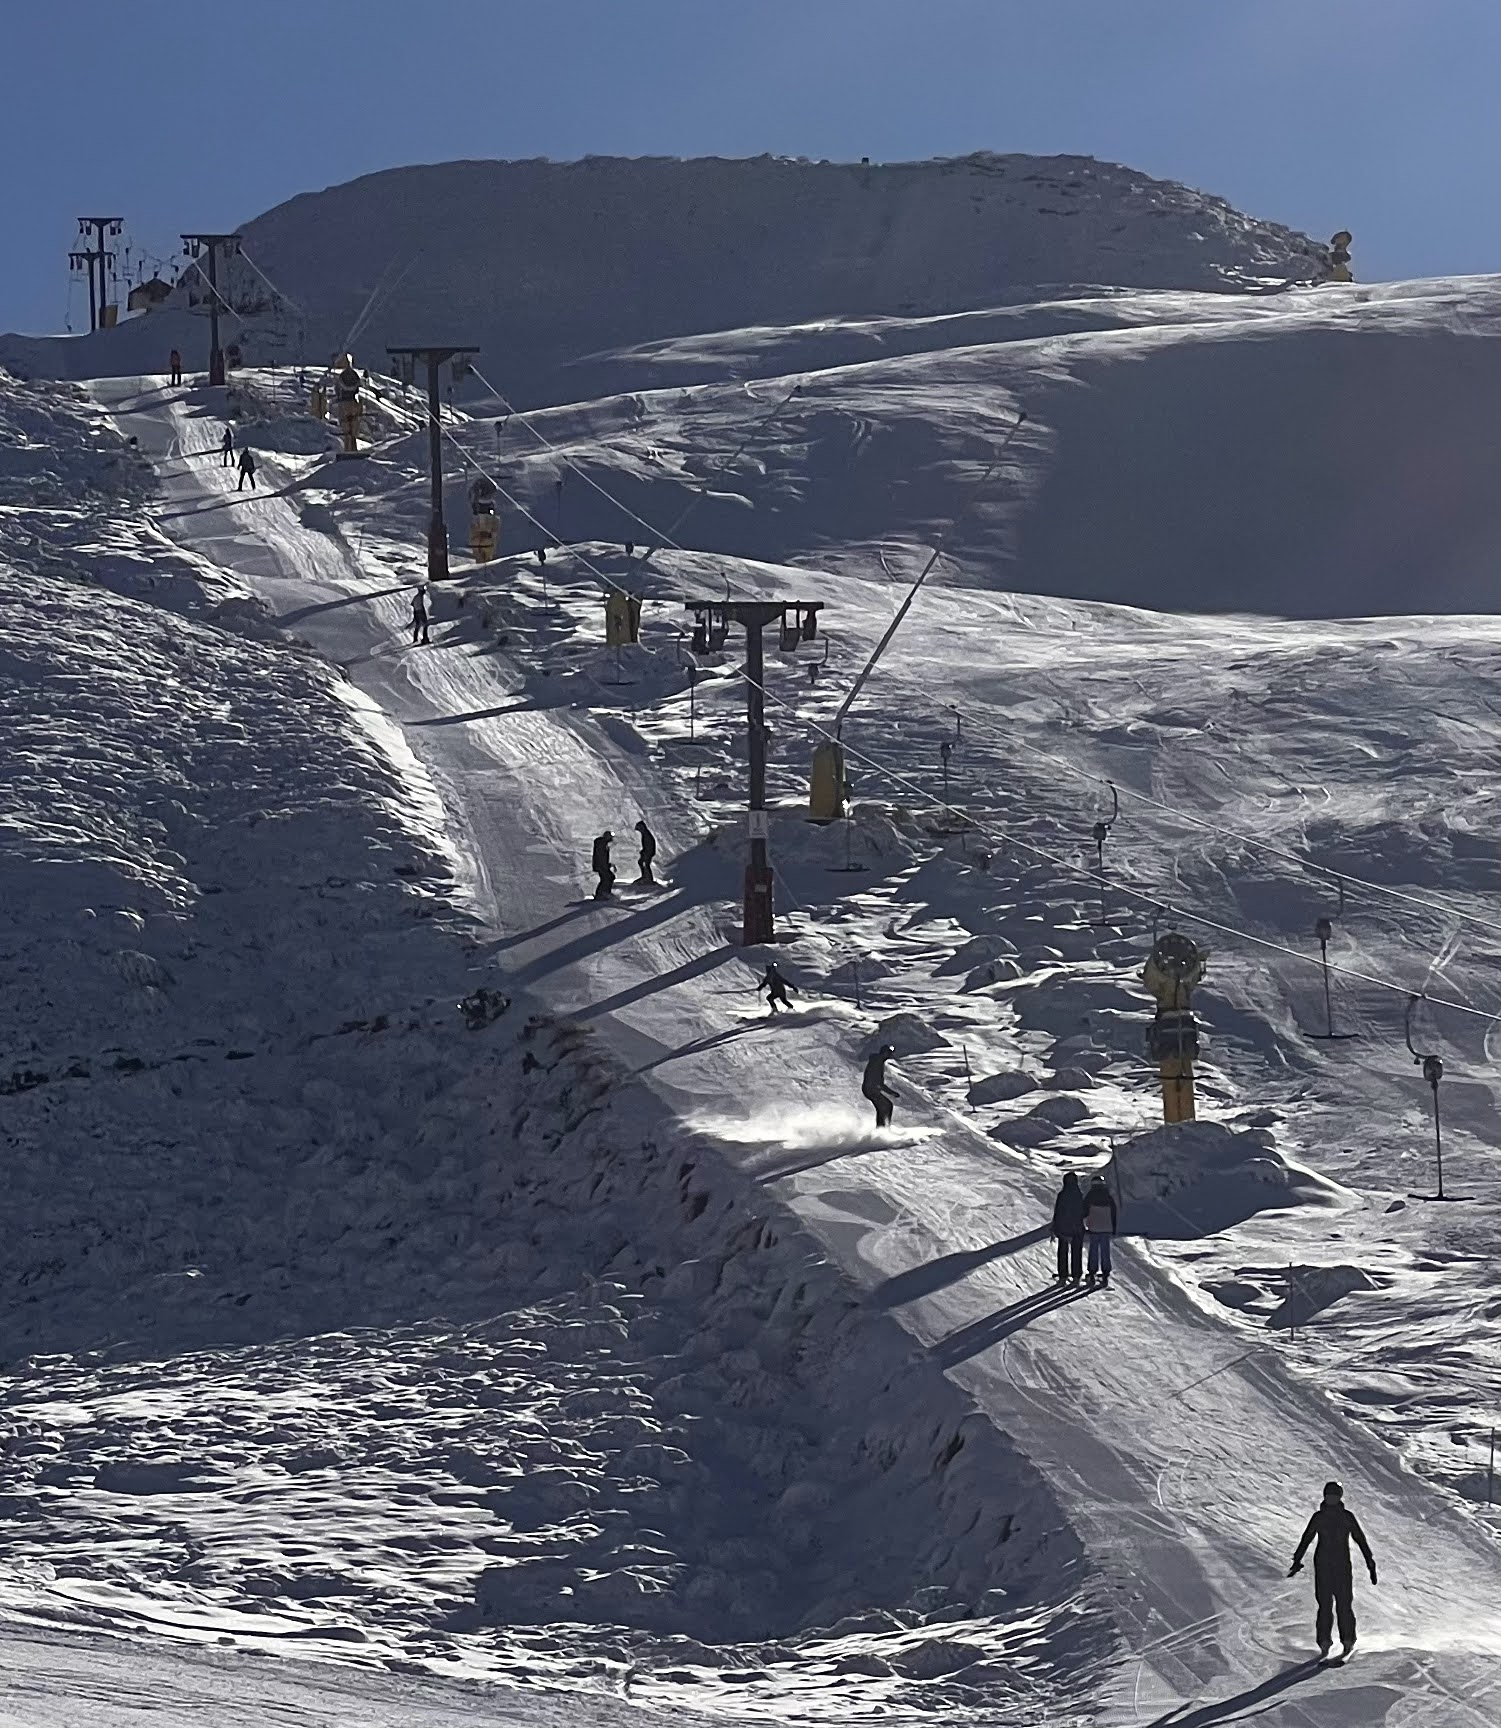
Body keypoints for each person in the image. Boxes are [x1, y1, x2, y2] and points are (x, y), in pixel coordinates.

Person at [1288, 1481, 1376, 1658]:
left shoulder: (1347, 1517)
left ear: (1340, 1497)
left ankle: (1348, 1640)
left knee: (1344, 1604)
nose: (1331, 1499)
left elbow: (1360, 1538)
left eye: (1334, 1496)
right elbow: (1306, 1538)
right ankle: (1324, 1641)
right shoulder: (1319, 1517)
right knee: (1324, 1605)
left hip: (1342, 1566)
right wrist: (1297, 1559)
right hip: (1323, 1566)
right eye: (1329, 1496)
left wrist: (1370, 1562)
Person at [1083, 1172, 1117, 1289]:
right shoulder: (1109, 1197)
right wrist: (1113, 1228)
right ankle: (1105, 1273)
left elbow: (1084, 1211)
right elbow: (1114, 1213)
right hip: (1107, 1228)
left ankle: (1092, 1273)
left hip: (1094, 1227)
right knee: (1105, 1250)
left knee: (1093, 1249)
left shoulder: (1090, 1196)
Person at [1051, 1171, 1086, 1285]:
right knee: (1076, 1252)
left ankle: (1063, 1276)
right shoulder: (1079, 1195)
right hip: (1077, 1228)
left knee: (1063, 1252)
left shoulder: (1062, 1195)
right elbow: (1083, 1212)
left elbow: (1058, 1212)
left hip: (1063, 1227)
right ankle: (1076, 1277)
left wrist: (1055, 1227)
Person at [861, 1045, 897, 1128]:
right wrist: (891, 1092)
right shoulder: (878, 1061)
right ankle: (883, 1127)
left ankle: (881, 1127)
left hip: (869, 1088)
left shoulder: (877, 1060)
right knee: (887, 1106)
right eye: (889, 1053)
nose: (890, 1055)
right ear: (885, 1053)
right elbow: (878, 1081)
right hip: (871, 1088)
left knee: (883, 1107)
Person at [591, 831, 615, 900]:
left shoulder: (603, 844)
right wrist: (605, 865)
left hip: (601, 865)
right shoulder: (601, 844)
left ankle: (603, 893)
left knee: (608, 878)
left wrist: (608, 864)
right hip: (601, 865)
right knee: (607, 878)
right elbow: (601, 856)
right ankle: (602, 893)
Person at [634, 818, 657, 885]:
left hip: (648, 852)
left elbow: (649, 844)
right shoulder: (645, 834)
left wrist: (646, 852)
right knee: (642, 863)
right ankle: (646, 876)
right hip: (647, 852)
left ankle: (648, 878)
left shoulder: (646, 835)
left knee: (646, 864)